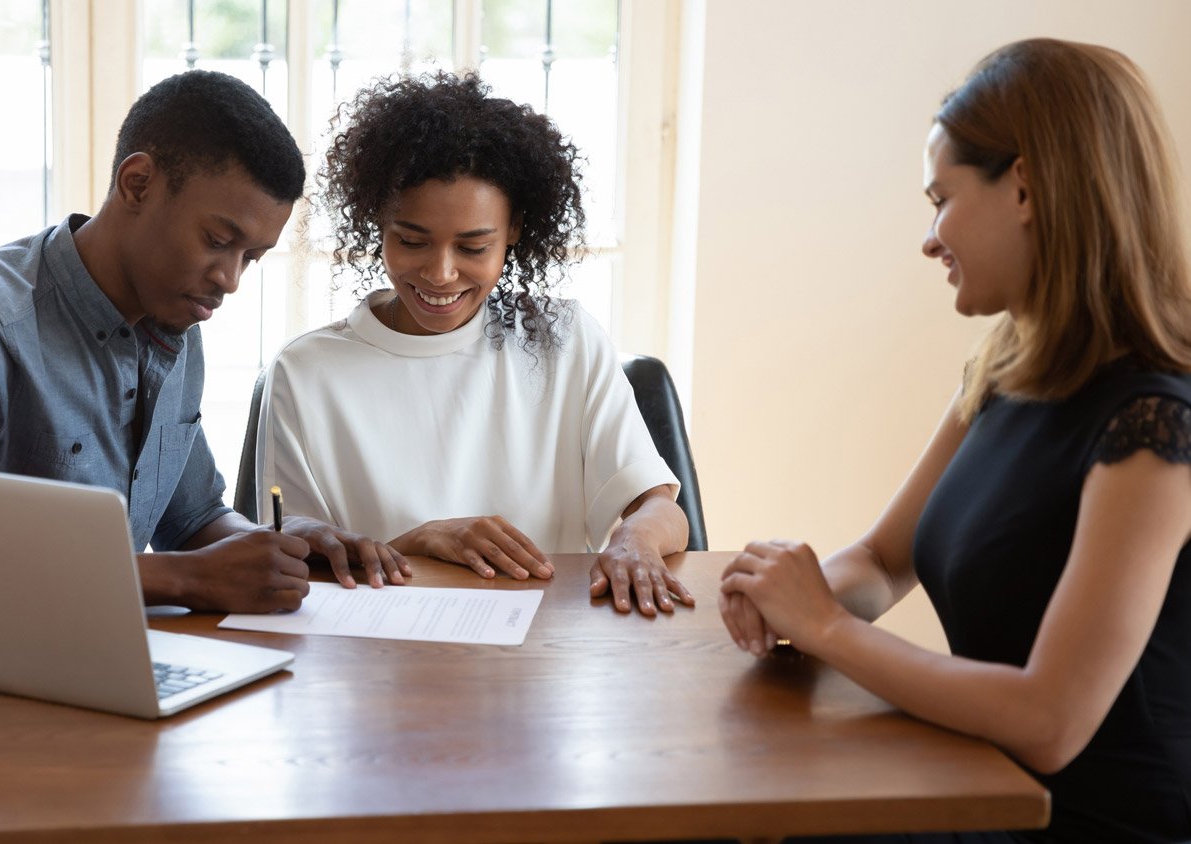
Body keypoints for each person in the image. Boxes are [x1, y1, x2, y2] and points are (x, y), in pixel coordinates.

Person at [719, 39, 1191, 843]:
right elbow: (881, 559)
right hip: (981, 785)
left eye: (941, 197)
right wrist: (787, 602)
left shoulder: (1155, 427)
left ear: (1027, 188)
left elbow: (1049, 720)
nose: (930, 238)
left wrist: (829, 628)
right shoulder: (1008, 363)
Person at [0, 70, 404, 614]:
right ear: (137, 184)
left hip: (114, 656)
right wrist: (183, 579)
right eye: (218, 241)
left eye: (251, 257)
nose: (230, 279)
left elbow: (194, 520)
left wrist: (286, 545)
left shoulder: (175, 317)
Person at [255, 72, 692, 615]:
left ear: (513, 231)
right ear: (378, 225)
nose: (441, 273)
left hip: (542, 652)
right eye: (411, 240)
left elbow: (661, 507)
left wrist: (634, 540)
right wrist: (416, 541)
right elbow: (290, 551)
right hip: (377, 659)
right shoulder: (305, 373)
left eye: (473, 246)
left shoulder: (562, 341)